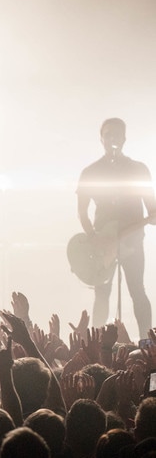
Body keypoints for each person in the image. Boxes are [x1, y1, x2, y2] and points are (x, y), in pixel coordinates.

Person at [76, 117, 156, 335]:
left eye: (117, 135)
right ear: (101, 138)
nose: (112, 139)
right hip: (102, 243)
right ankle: (97, 343)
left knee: (137, 290)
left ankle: (147, 342)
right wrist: (94, 237)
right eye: (108, 134)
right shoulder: (91, 172)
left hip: (132, 242)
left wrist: (149, 217)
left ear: (124, 139)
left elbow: (152, 209)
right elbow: (82, 211)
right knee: (102, 294)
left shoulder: (138, 169)